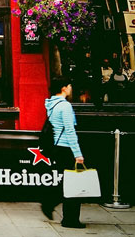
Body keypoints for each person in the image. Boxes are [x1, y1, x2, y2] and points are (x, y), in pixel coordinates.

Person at [41, 77, 86, 229]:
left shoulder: (52, 104)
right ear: (64, 88)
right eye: (69, 86)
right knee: (73, 185)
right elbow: (70, 131)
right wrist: (78, 153)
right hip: (67, 148)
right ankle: (70, 218)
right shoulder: (65, 106)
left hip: (57, 147)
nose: (71, 88)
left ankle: (51, 203)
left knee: (67, 182)